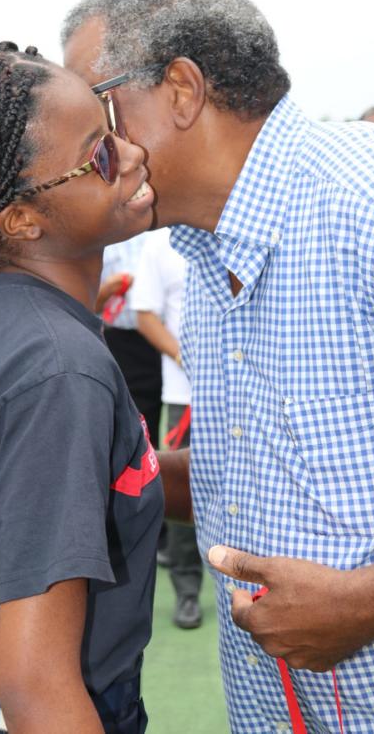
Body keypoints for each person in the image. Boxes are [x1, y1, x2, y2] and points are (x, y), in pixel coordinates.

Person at [62, 0, 374, 731]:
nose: (90, 156)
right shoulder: (204, 251)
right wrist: (97, 474)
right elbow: (265, 467)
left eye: (96, 117)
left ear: (181, 90)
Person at [0, 42, 163, 734]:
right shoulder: (58, 369)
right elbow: (36, 687)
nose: (133, 154)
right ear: (21, 220)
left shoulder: (10, 316)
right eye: (100, 154)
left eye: (113, 128)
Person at [132, 228, 202, 629]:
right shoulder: (160, 244)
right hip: (184, 394)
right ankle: (187, 590)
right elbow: (145, 315)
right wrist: (187, 358)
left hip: (245, 392)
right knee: (185, 490)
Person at [94, 237, 162, 450]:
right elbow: (86, 302)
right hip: (122, 341)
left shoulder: (162, 236)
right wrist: (108, 289)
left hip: (164, 340)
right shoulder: (105, 238)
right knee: (134, 414)